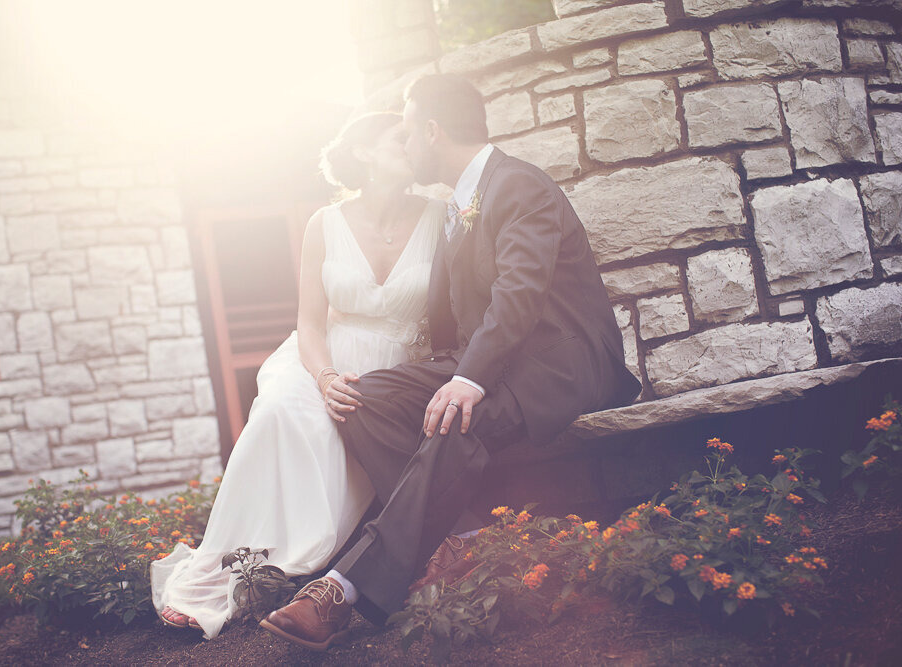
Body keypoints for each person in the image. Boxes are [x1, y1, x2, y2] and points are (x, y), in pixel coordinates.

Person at [260, 73, 641, 651]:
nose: (406, 145)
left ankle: (341, 591)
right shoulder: (460, 200)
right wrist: (446, 370)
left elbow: (520, 298)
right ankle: (461, 543)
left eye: (408, 131)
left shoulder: (518, 186)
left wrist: (465, 380)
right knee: (365, 400)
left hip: (556, 363)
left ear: (432, 131)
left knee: (451, 422)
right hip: (492, 359)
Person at [151, 111, 446, 639]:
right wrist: (324, 375)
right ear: (364, 152)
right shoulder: (325, 223)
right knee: (283, 411)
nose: (413, 144)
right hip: (319, 356)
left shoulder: (439, 217)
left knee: (345, 431)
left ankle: (292, 568)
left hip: (394, 368)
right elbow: (308, 321)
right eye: (399, 137)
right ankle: (217, 572)